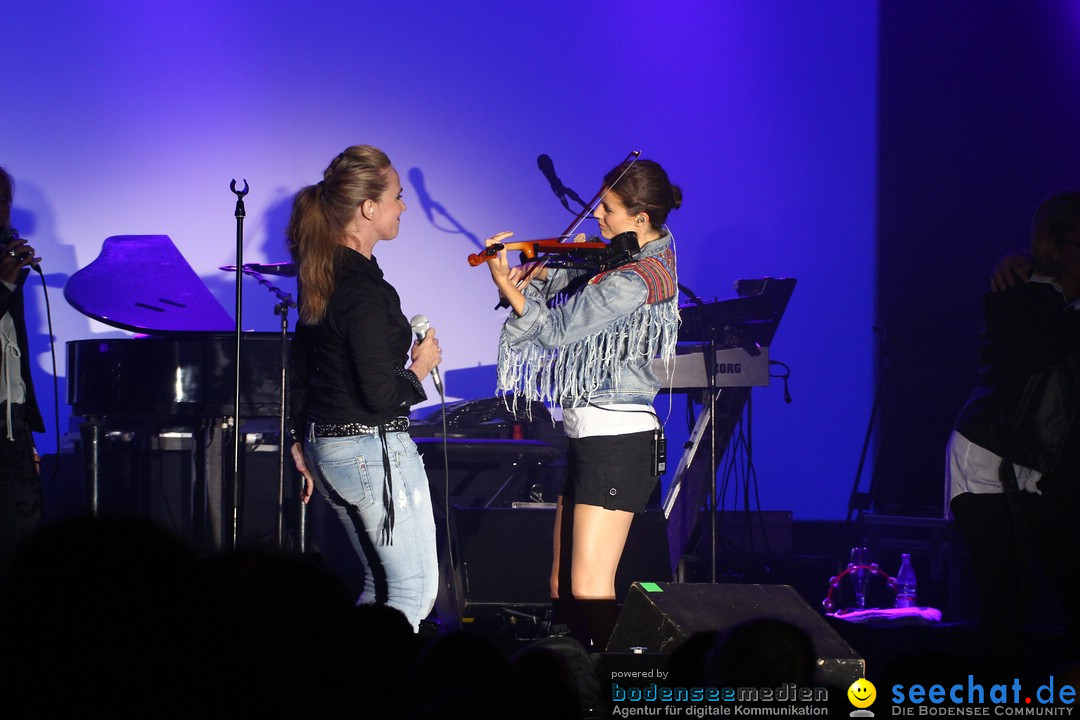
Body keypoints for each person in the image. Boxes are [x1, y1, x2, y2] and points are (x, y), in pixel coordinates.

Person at [482, 158, 682, 652]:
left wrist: (513, 293)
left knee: (591, 590)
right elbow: (573, 289)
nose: (597, 218)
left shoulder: (637, 278)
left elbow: (556, 330)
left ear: (640, 218)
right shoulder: (618, 259)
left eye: (608, 209)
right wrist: (537, 280)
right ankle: (574, 687)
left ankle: (618, 693)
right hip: (587, 437)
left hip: (619, 440)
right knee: (562, 591)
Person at [286, 145, 442, 632]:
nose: (403, 207)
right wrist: (420, 368)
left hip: (328, 450)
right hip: (370, 451)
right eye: (397, 197)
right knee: (413, 594)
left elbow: (301, 364)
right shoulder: (362, 289)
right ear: (368, 208)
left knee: (380, 588)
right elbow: (379, 393)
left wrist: (298, 443)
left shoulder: (321, 274)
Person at [945, 189, 1080, 678]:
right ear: (1055, 246)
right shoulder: (1021, 294)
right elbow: (1031, 352)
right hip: (990, 458)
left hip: (1037, 467)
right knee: (1007, 598)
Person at [0, 165, 44, 576]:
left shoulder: (5, 264)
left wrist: (26, 432)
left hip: (9, 421)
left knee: (22, 545)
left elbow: (13, 355)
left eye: (4, 202)